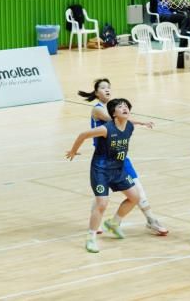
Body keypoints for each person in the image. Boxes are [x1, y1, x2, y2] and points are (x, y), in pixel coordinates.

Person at [78, 79, 168, 236]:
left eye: (109, 87)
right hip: (104, 157)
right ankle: (100, 225)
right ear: (96, 92)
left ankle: (149, 220)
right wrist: (141, 122)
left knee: (135, 189)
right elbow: (118, 121)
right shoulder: (99, 109)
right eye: (103, 88)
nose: (107, 90)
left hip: (118, 156)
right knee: (103, 195)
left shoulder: (115, 108)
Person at [65, 98, 154, 253]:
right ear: (113, 113)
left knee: (135, 197)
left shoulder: (129, 127)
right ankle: (91, 237)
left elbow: (130, 122)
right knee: (102, 204)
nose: (124, 108)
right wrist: (73, 151)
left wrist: (143, 123)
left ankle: (114, 223)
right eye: (120, 107)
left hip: (118, 169)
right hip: (101, 170)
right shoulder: (106, 129)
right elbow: (83, 134)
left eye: (126, 106)